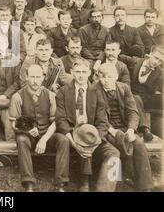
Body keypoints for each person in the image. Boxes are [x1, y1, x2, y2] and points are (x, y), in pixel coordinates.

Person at [55, 59, 120, 192]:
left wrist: (96, 141)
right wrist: (73, 142)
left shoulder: (97, 91)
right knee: (84, 142)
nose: (81, 75)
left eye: (84, 72)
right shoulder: (63, 91)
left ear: (89, 73)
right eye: (77, 72)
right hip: (72, 133)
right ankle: (84, 183)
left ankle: (105, 189)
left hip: (93, 135)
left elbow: (102, 121)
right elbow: (60, 119)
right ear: (71, 72)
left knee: (114, 153)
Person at [9, 64, 69, 192]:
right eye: (32, 77)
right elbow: (13, 124)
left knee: (63, 139)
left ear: (43, 77)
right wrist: (26, 130)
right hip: (29, 137)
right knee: (21, 140)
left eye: (38, 77)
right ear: (27, 77)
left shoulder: (50, 95)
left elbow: (55, 122)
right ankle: (28, 183)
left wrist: (44, 139)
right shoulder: (17, 96)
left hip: (47, 136)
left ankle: (60, 183)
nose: (35, 80)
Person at [95, 63, 153, 191]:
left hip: (124, 127)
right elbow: (99, 117)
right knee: (118, 145)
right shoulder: (95, 90)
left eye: (110, 76)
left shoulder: (124, 88)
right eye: (102, 76)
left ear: (116, 76)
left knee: (137, 142)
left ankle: (145, 185)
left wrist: (131, 130)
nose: (106, 80)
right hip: (106, 129)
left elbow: (132, 111)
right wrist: (112, 131)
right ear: (98, 77)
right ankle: (124, 176)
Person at [118, 45, 164, 139]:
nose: (157, 62)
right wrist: (98, 60)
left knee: (136, 98)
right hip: (127, 94)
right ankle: (144, 129)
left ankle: (144, 128)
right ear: (150, 54)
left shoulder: (160, 73)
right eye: (156, 58)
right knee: (133, 98)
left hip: (145, 98)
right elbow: (117, 56)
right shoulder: (135, 61)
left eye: (160, 61)